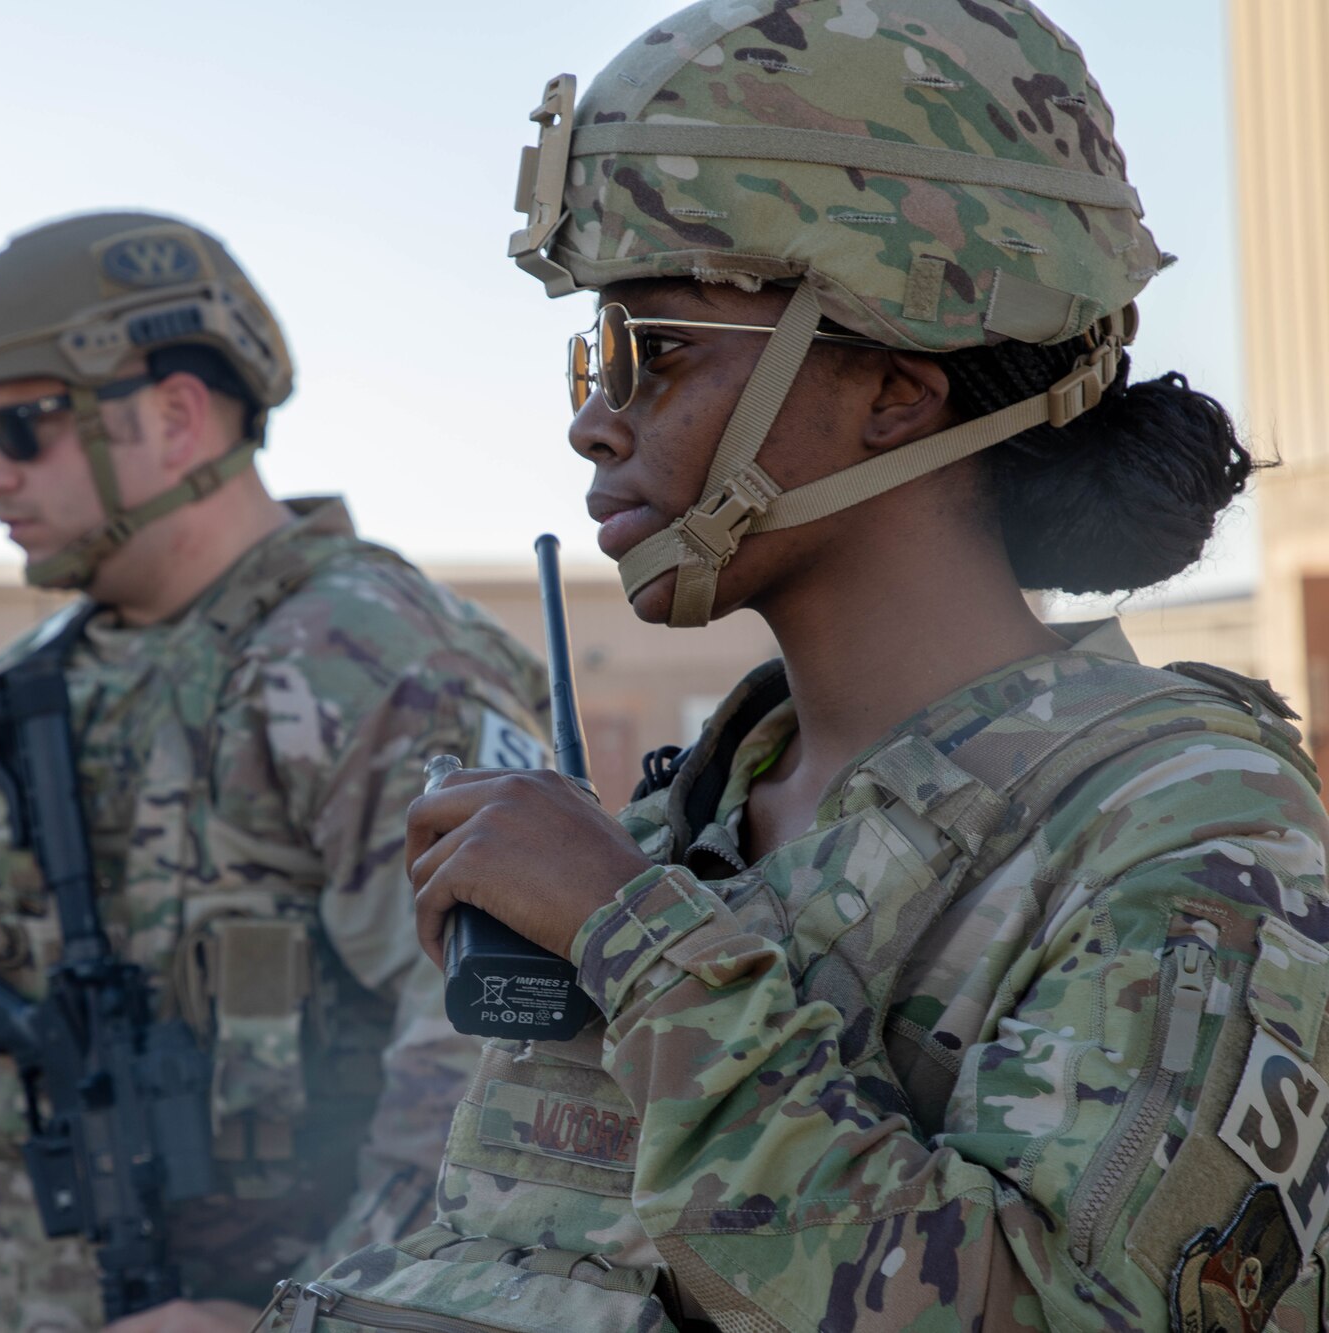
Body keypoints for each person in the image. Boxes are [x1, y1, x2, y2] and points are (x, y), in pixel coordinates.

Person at [276, 3, 1329, 1331]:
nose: (594, 424)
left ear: (896, 384)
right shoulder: (692, 825)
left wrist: (633, 938)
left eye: (651, 356)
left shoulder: (1186, 831)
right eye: (594, 354)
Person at [0, 212, 549, 1332]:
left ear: (175, 417)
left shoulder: (372, 661)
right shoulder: (26, 684)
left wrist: (309, 1317)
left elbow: (509, 1045)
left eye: (22, 429)